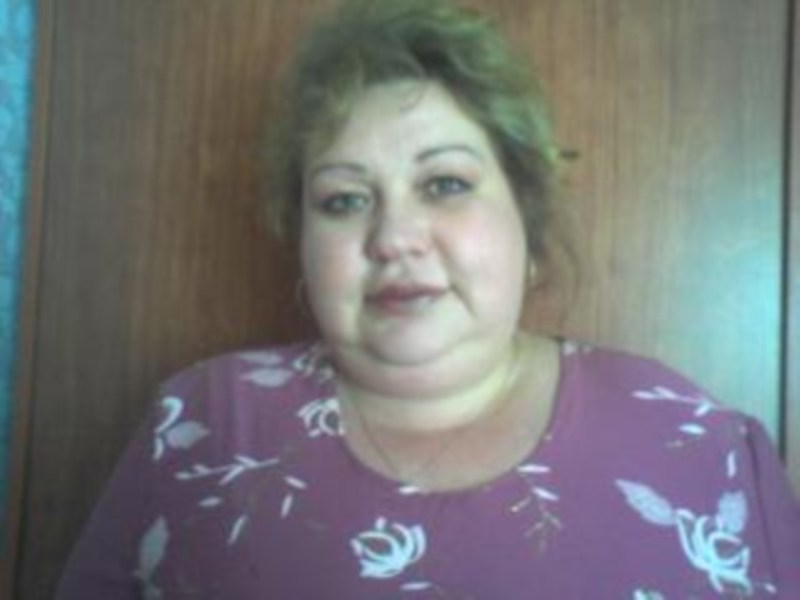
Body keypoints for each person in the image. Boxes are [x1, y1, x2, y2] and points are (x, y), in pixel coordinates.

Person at [57, 0, 799, 597]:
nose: (394, 237)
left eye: (444, 183)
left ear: (528, 217)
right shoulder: (197, 427)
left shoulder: (700, 444)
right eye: (345, 199)